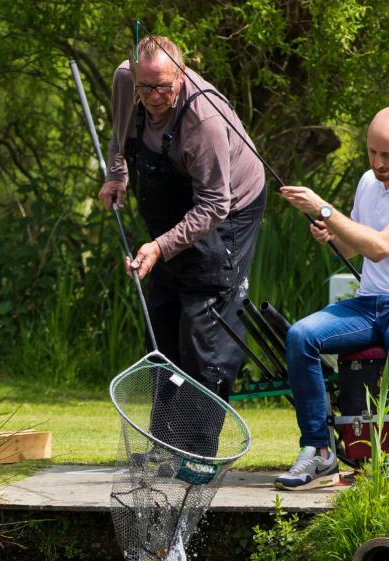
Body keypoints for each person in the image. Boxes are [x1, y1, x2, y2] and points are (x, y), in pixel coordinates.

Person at [98, 36, 266, 456]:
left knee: (201, 326)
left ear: (182, 74)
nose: (154, 98)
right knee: (162, 320)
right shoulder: (126, 80)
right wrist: (116, 174)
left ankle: (196, 450)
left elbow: (214, 203)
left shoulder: (203, 120)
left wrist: (159, 246)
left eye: (164, 87)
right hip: (175, 206)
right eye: (145, 88)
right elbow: (121, 132)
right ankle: (164, 441)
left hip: (228, 209)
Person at [275, 107, 389, 490]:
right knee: (301, 335)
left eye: (388, 155)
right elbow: (354, 246)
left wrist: (324, 208)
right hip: (370, 302)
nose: (378, 163)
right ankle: (319, 451)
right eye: (372, 152)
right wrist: (331, 234)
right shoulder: (368, 182)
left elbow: (380, 247)